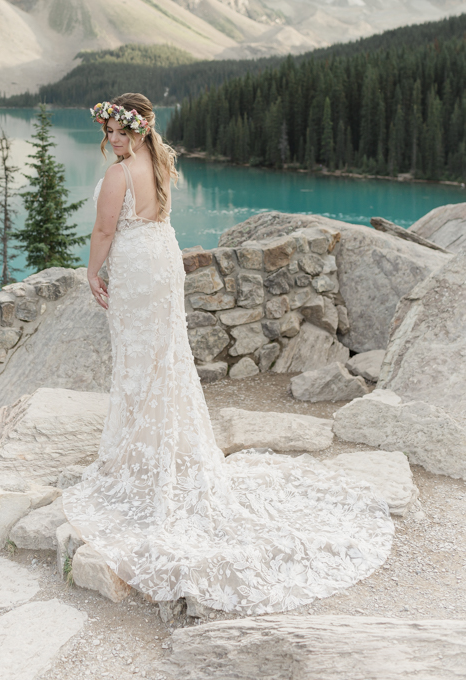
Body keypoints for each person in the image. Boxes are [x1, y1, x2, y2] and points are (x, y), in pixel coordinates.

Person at [61, 93, 393, 615]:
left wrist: (90, 271)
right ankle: (158, 449)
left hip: (136, 267)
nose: (112, 139)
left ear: (138, 128)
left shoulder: (121, 175)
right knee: (162, 360)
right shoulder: (158, 163)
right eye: (109, 131)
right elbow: (151, 219)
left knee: (141, 362)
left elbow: (104, 230)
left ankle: (141, 456)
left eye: (120, 131)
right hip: (161, 258)